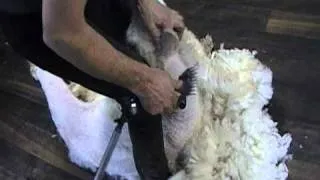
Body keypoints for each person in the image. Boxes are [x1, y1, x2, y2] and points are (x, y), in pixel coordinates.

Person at [0, 0, 185, 179]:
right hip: (34, 21)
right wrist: (144, 83)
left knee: (122, 18)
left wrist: (146, 3)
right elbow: (62, 34)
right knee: (137, 96)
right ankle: (155, 174)